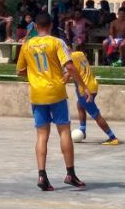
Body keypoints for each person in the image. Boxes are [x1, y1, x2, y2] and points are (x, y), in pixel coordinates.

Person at [16, 12, 91, 192]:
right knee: (64, 131)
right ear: (50, 25)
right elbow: (70, 66)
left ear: (35, 26)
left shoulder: (27, 45)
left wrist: (35, 75)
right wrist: (83, 86)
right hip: (56, 91)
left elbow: (20, 71)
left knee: (42, 136)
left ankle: (42, 175)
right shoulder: (57, 42)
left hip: (37, 93)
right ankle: (70, 173)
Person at [68, 46, 119, 145]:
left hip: (85, 89)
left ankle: (113, 137)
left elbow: (68, 73)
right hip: (93, 85)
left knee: (96, 115)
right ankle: (82, 131)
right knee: (80, 105)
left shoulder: (69, 59)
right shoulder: (80, 54)